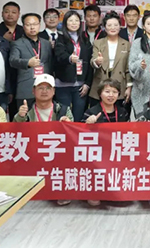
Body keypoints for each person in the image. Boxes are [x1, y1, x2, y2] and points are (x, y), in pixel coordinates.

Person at [12, 73, 73, 207]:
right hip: (31, 151)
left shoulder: (63, 110)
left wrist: (68, 125)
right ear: (33, 91)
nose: (44, 91)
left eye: (48, 88)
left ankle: (60, 190)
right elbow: (13, 135)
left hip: (55, 152)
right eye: (40, 88)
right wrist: (20, 117)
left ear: (54, 91)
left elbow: (73, 136)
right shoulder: (26, 111)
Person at [9, 13, 54, 110]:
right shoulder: (17, 43)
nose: (32, 27)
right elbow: (13, 61)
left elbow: (50, 64)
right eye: (28, 25)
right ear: (23, 26)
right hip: (26, 89)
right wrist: (27, 63)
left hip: (45, 89)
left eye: (35, 24)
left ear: (39, 25)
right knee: (25, 117)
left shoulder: (46, 43)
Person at [54, 11, 93, 123]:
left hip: (80, 87)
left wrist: (87, 84)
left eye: (76, 20)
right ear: (65, 23)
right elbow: (59, 56)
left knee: (78, 117)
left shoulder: (85, 39)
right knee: (64, 118)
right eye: (70, 20)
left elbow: (89, 63)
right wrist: (69, 58)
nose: (74, 23)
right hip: (63, 84)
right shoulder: (60, 38)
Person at [90, 11, 132, 110]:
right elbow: (93, 60)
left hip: (119, 84)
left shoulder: (126, 44)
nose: (113, 28)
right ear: (104, 27)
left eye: (116, 25)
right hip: (101, 83)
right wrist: (97, 62)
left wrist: (129, 87)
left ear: (120, 26)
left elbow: (128, 68)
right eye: (109, 25)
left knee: (118, 115)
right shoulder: (98, 43)